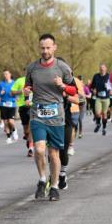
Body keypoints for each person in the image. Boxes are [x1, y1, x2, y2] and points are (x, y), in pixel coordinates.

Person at [25, 36, 76, 201]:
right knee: (39, 149)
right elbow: (28, 86)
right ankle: (42, 179)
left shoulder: (62, 67)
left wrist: (63, 86)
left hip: (56, 117)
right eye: (42, 48)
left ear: (54, 47)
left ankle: (54, 186)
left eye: (48, 48)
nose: (45, 51)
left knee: (54, 154)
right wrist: (27, 91)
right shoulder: (32, 67)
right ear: (39, 48)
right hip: (37, 114)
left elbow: (74, 90)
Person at [11, 74, 33, 156]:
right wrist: (21, 91)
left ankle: (31, 148)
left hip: (33, 106)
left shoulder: (36, 79)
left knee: (31, 127)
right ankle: (28, 139)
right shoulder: (19, 80)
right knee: (26, 130)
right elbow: (12, 92)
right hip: (23, 106)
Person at [0, 70, 18, 143]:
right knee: (5, 122)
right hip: (3, 104)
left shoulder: (14, 83)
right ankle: (8, 137)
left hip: (12, 104)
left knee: (11, 121)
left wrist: (15, 95)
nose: (5, 75)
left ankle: (14, 130)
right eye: (4, 74)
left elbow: (17, 93)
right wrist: (1, 93)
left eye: (7, 74)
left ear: (10, 74)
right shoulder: (1, 84)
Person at [90, 64, 111, 134]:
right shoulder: (96, 76)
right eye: (101, 68)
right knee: (97, 113)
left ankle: (104, 128)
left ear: (106, 69)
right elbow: (91, 86)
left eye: (103, 68)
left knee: (104, 114)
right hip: (98, 98)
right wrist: (93, 90)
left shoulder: (109, 76)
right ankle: (98, 124)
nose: (102, 69)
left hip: (106, 98)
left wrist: (109, 89)